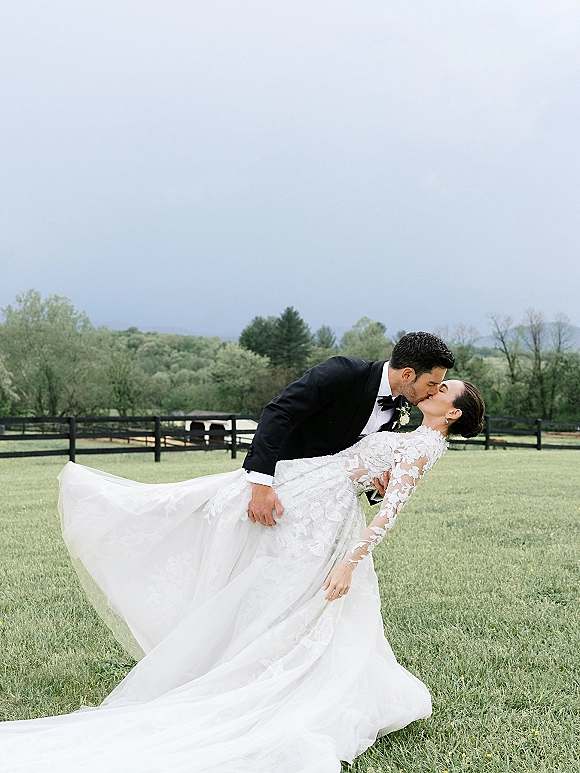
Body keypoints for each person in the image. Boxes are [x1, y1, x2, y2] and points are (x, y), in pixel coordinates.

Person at [0, 380, 484, 773]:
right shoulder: (411, 433)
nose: (435, 389)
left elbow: (389, 513)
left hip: (325, 513)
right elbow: (373, 473)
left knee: (280, 597)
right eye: (436, 382)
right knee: (216, 526)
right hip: (312, 488)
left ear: (454, 412)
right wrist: (369, 475)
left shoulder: (424, 447)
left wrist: (347, 563)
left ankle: (249, 678)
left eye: (444, 389)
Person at [244, 331, 455, 526]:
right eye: (432, 384)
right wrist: (261, 484)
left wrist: (379, 487)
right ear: (407, 375)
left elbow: (357, 457)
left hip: (330, 507)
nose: (434, 392)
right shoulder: (344, 372)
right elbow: (279, 412)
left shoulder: (400, 405)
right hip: (284, 485)